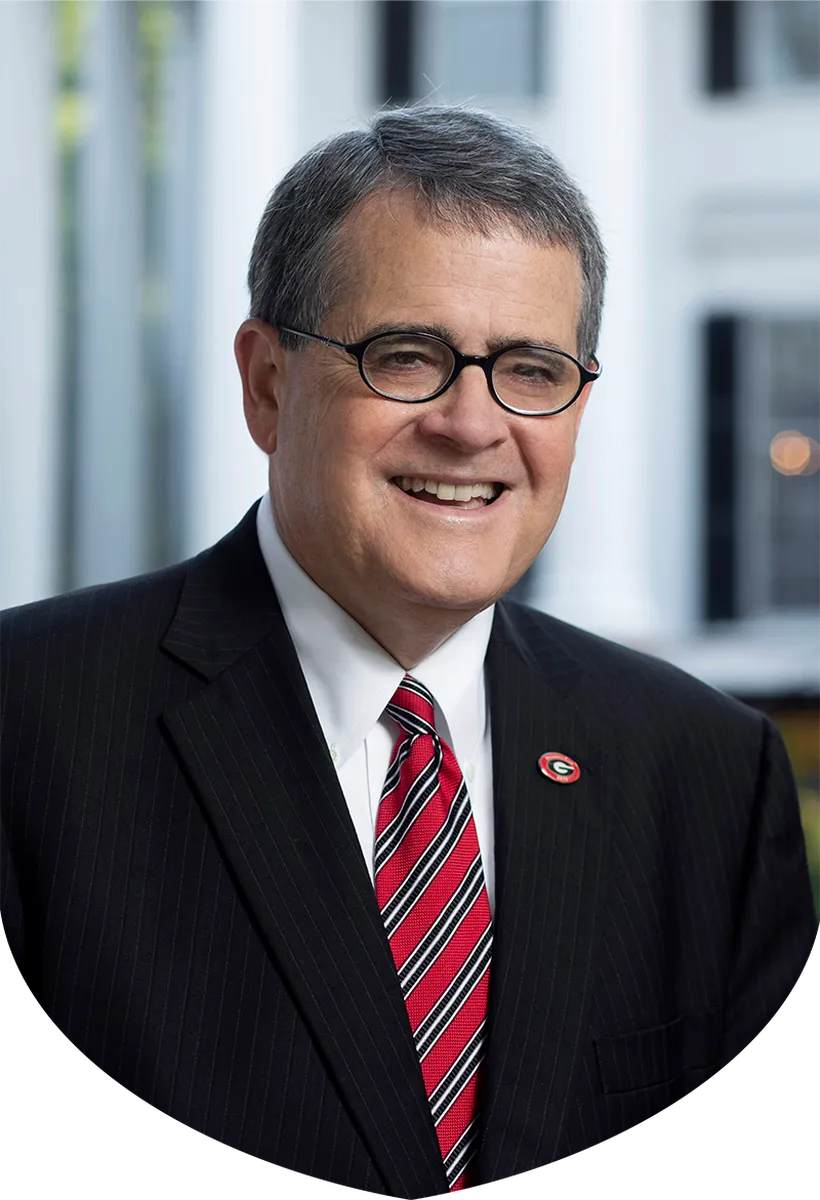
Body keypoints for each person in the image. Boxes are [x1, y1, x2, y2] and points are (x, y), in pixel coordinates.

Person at [0, 106, 817, 1200]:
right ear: (267, 384)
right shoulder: (28, 729)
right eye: (408, 357)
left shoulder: (704, 770)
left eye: (530, 368)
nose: (472, 425)